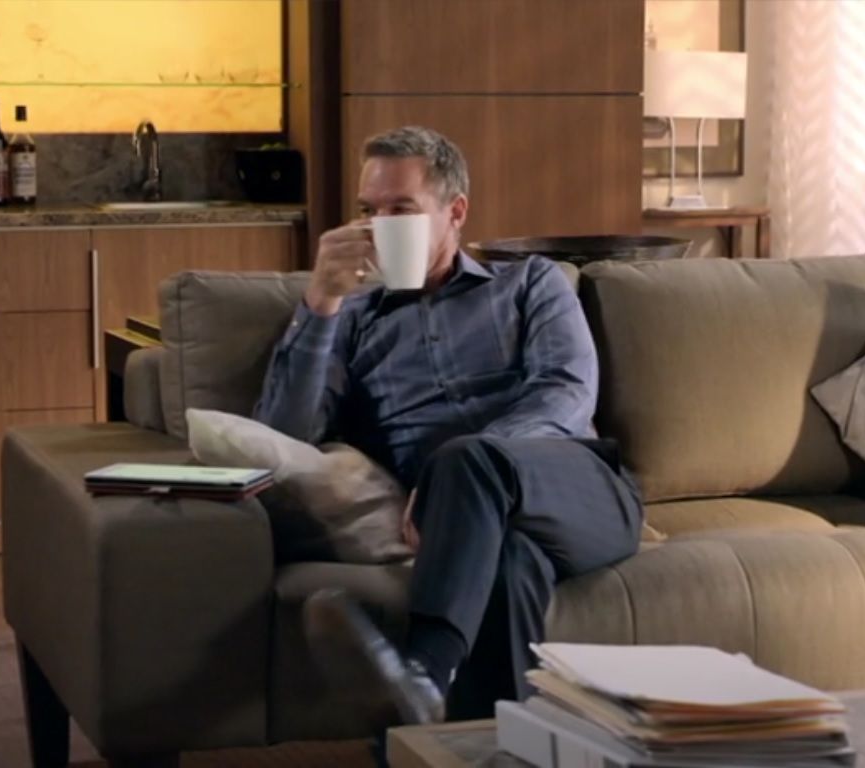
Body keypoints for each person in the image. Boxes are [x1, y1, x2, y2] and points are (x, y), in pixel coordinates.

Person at [253, 125, 643, 724]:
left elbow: (566, 392)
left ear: (455, 212)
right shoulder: (350, 318)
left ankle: (425, 669)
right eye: (368, 211)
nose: (378, 226)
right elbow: (283, 438)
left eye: (400, 210)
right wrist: (321, 302)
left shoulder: (530, 283)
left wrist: (451, 475)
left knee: (466, 458)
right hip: (470, 527)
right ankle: (466, 745)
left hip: (576, 492)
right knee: (508, 567)